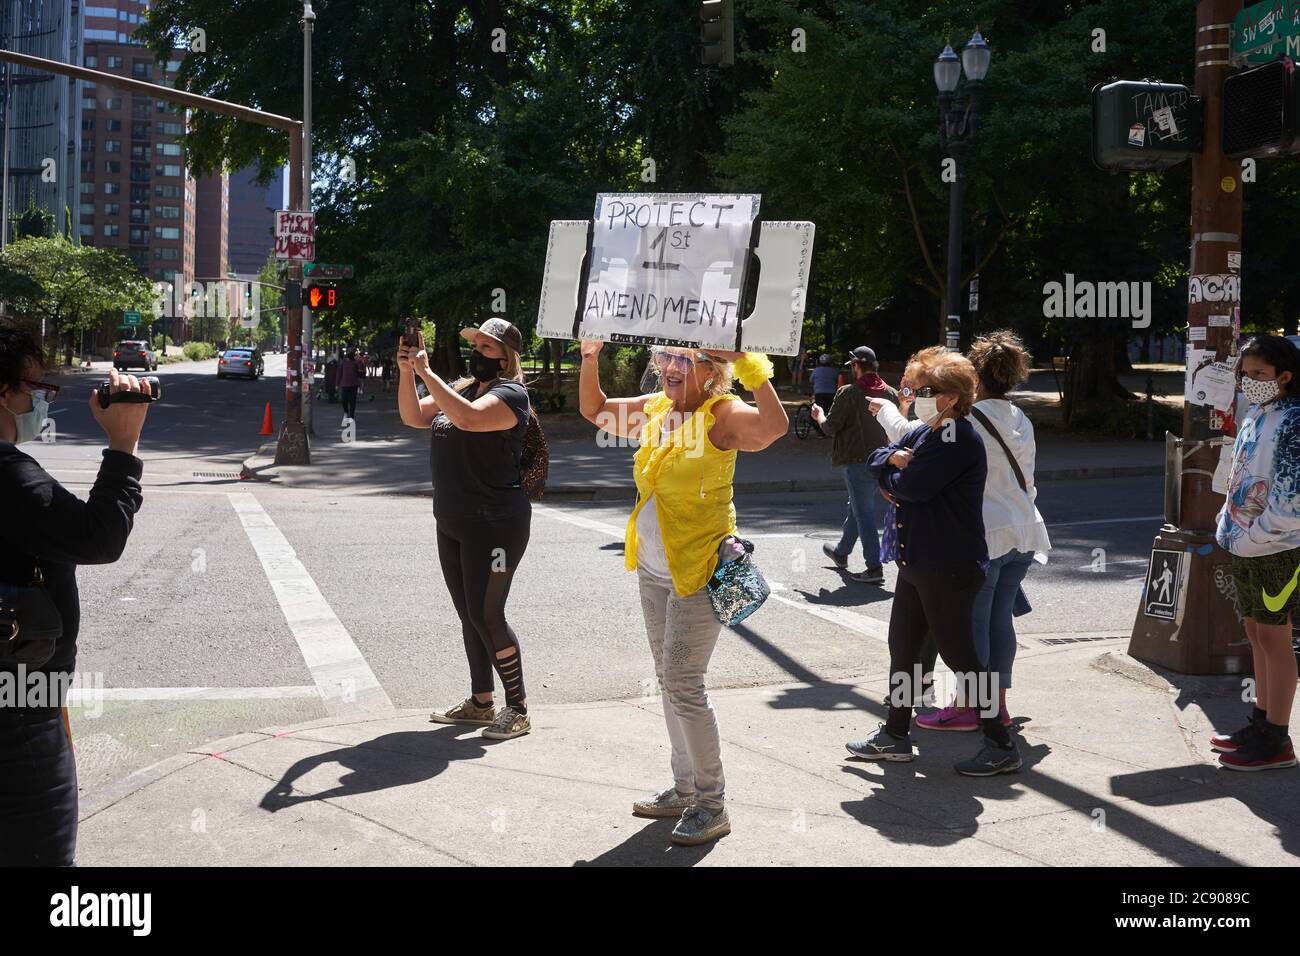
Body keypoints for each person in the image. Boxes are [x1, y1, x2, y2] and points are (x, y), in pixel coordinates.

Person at [580, 340, 787, 846]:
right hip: (653, 567)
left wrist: (749, 364)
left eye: (683, 358)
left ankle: (711, 804)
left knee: (683, 684)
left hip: (697, 570)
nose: (669, 367)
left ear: (712, 368)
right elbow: (595, 408)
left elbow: (774, 428)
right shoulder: (656, 409)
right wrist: (589, 355)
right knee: (667, 680)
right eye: (664, 355)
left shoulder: (723, 415)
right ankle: (684, 787)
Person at [0, 318, 150, 866]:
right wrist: (124, 443)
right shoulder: (9, 477)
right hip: (17, 708)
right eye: (35, 389)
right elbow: (98, 537)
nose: (41, 403)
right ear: (6, 392)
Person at [847, 346, 1023, 776]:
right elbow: (874, 457)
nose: (914, 395)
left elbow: (912, 488)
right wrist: (890, 460)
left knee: (961, 657)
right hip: (918, 562)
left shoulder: (957, 437)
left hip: (947, 565)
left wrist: (892, 472)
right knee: (903, 650)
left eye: (921, 389)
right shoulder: (928, 430)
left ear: (948, 396)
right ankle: (894, 734)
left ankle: (1000, 744)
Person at [876, 331, 1052, 731]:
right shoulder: (1019, 416)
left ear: (970, 379)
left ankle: (971, 709)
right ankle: (995, 709)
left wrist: (887, 414)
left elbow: (909, 450)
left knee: (968, 633)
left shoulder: (964, 423)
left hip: (979, 536)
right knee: (997, 623)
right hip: (1023, 528)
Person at [399, 318, 534, 741]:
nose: (477, 352)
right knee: (468, 615)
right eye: (475, 344)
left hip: (494, 524)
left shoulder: (511, 394)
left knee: (487, 614)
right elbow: (414, 416)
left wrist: (425, 371)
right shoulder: (459, 388)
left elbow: (471, 421)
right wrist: (408, 374)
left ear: (506, 358)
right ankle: (480, 703)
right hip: (453, 519)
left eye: (487, 347)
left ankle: (518, 708)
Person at [1212, 334, 1300, 771]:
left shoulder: (1296, 420)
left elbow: (1292, 497)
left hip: (1278, 547)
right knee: (1256, 632)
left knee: (1275, 636)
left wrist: (1259, 535)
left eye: (1260, 375)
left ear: (1285, 376)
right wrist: (1228, 525)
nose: (1250, 383)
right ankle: (1262, 722)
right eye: (1245, 376)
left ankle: (1278, 739)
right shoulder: (1258, 414)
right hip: (1248, 542)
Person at [812, 346, 898, 584]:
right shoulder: (890, 392)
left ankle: (874, 567)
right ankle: (841, 552)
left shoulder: (848, 393)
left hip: (857, 460)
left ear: (856, 366)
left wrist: (819, 415)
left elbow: (830, 427)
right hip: (882, 459)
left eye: (852, 366)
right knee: (858, 507)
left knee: (864, 513)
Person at [810, 353, 838, 437]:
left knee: (819, 411)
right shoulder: (834, 371)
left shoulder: (816, 370)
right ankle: (829, 431)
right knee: (829, 412)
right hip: (831, 393)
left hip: (819, 393)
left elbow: (811, 380)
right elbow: (837, 380)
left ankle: (820, 432)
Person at [337, 349, 363, 423]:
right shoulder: (343, 362)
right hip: (344, 384)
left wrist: (359, 361)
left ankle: (351, 416)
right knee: (344, 399)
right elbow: (339, 373)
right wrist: (337, 383)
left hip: (353, 384)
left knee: (352, 401)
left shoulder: (356, 362)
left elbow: (361, 371)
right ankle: (346, 411)